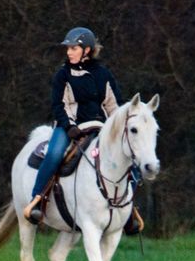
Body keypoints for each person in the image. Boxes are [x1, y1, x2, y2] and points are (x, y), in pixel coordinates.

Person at [24, 26, 123, 224]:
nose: (69, 52)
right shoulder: (62, 75)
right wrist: (69, 126)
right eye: (67, 49)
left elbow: (114, 105)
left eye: (73, 48)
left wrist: (117, 128)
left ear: (86, 50)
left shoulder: (104, 74)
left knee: (128, 153)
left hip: (100, 127)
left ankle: (129, 210)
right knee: (54, 154)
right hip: (69, 127)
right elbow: (59, 104)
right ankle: (37, 201)